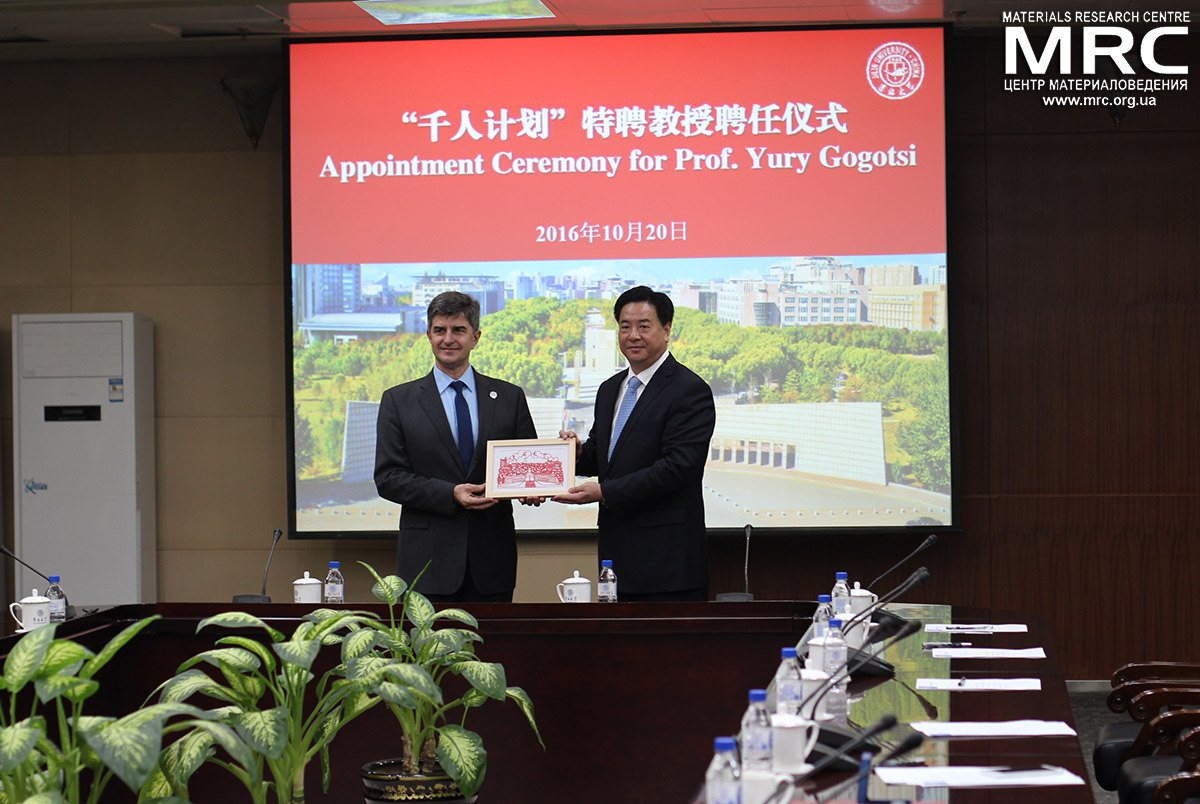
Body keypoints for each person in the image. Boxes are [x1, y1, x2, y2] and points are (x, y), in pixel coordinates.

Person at [554, 286, 716, 601]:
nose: (633, 335)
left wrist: (604, 492)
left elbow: (677, 469)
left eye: (644, 326)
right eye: (625, 327)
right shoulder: (609, 389)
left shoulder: (689, 390)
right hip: (614, 562)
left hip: (668, 565)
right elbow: (605, 457)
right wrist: (577, 454)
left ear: (666, 330)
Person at [375, 291, 538, 602]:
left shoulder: (509, 397)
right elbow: (388, 478)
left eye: (458, 330)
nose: (448, 339)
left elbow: (526, 466)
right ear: (428, 335)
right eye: (440, 330)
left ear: (475, 337)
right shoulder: (398, 401)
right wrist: (449, 494)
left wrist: (533, 486)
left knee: (493, 652)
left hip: (491, 565)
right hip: (427, 566)